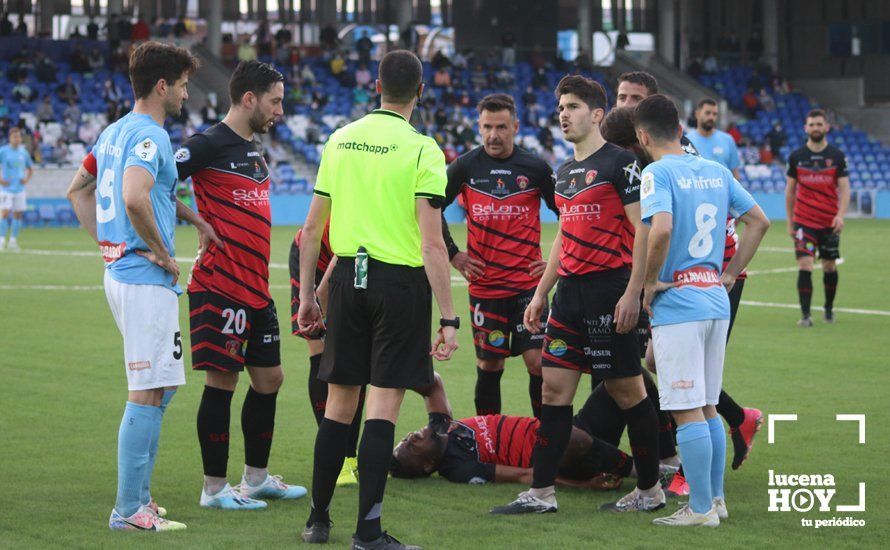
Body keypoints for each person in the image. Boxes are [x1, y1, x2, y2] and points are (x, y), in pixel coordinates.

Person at [297, 50, 458, 549]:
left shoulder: (341, 139)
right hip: (399, 287)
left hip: (348, 277)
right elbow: (432, 244)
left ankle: (318, 520)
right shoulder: (424, 150)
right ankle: (367, 532)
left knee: (338, 407)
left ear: (377, 88)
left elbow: (310, 230)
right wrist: (449, 317)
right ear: (421, 92)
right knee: (382, 410)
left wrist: (308, 296)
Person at [490, 75, 663, 516]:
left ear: (598, 115)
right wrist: (540, 294)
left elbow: (642, 228)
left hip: (610, 293)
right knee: (553, 391)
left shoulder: (621, 163)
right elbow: (564, 236)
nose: (563, 114)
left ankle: (649, 489)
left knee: (628, 392)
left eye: (572, 107)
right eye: (561, 107)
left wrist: (633, 292)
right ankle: (542, 492)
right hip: (569, 296)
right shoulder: (564, 172)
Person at [65, 41, 206, 532]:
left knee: (161, 385)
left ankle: (140, 496)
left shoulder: (112, 133)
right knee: (146, 391)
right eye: (183, 85)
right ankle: (127, 511)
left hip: (125, 275)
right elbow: (134, 197)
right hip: (144, 279)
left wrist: (111, 246)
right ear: (163, 86)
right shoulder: (151, 135)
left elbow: (78, 190)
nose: (187, 94)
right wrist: (159, 254)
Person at [171, 60, 305, 510]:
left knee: (270, 379)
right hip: (219, 285)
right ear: (249, 99)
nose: (280, 111)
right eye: (275, 101)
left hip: (256, 289)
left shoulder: (252, 149)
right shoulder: (207, 144)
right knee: (221, 382)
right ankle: (213, 489)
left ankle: (256, 478)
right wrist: (195, 219)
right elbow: (152, 185)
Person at [615, 72, 764, 474]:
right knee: (689, 388)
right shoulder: (709, 165)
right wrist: (729, 274)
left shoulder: (658, 170)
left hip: (684, 289)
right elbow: (760, 221)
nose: (625, 105)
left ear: (644, 134)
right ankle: (713, 491)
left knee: (690, 402)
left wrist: (647, 282)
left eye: (633, 100)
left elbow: (658, 228)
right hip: (713, 287)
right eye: (621, 97)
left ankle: (696, 495)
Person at [438, 93, 556, 419]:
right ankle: (490, 441)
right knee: (490, 364)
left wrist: (561, 261)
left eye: (501, 127)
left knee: (539, 363)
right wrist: (453, 254)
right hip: (486, 288)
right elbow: (431, 210)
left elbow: (569, 214)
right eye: (487, 127)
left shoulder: (536, 169)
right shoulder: (464, 167)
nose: (493, 135)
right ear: (478, 127)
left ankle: (545, 441)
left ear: (515, 127)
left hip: (529, 288)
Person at [392, 389, 652, 489]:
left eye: (404, 438)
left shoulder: (439, 426)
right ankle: (649, 474)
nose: (411, 437)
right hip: (555, 454)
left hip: (565, 431)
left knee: (627, 380)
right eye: (410, 446)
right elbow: (523, 475)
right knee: (570, 438)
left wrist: (402, 371)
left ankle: (666, 455)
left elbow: (432, 382)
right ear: (428, 465)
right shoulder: (458, 467)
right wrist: (582, 485)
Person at [289, 222, 364, 487]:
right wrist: (316, 297)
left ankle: (351, 456)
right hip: (318, 253)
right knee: (321, 350)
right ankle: (337, 456)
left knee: (358, 355)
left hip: (357, 256)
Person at [785, 109, 849, 326]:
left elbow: (845, 189)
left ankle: (829, 309)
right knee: (805, 264)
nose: (815, 128)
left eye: (819, 124)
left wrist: (840, 216)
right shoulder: (796, 157)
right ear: (806, 128)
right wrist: (790, 222)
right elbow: (789, 191)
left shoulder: (837, 157)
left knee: (829, 266)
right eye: (811, 125)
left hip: (829, 223)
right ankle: (805, 315)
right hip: (804, 222)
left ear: (826, 127)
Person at [686, 99, 741, 179]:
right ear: (697, 114)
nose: (711, 117)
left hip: (723, 191)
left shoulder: (728, 140)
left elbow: (735, 174)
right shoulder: (686, 142)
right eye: (707, 113)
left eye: (714, 114)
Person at [0, 128, 34, 251]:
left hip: (19, 189)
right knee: (4, 213)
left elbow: (30, 168)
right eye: (14, 136)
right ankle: (2, 240)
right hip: (6, 188)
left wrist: (26, 179)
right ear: (10, 138)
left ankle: (13, 241)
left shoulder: (23, 152)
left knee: (18, 214)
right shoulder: (3, 151)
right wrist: (0, 179)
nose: (17, 139)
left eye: (19, 137)